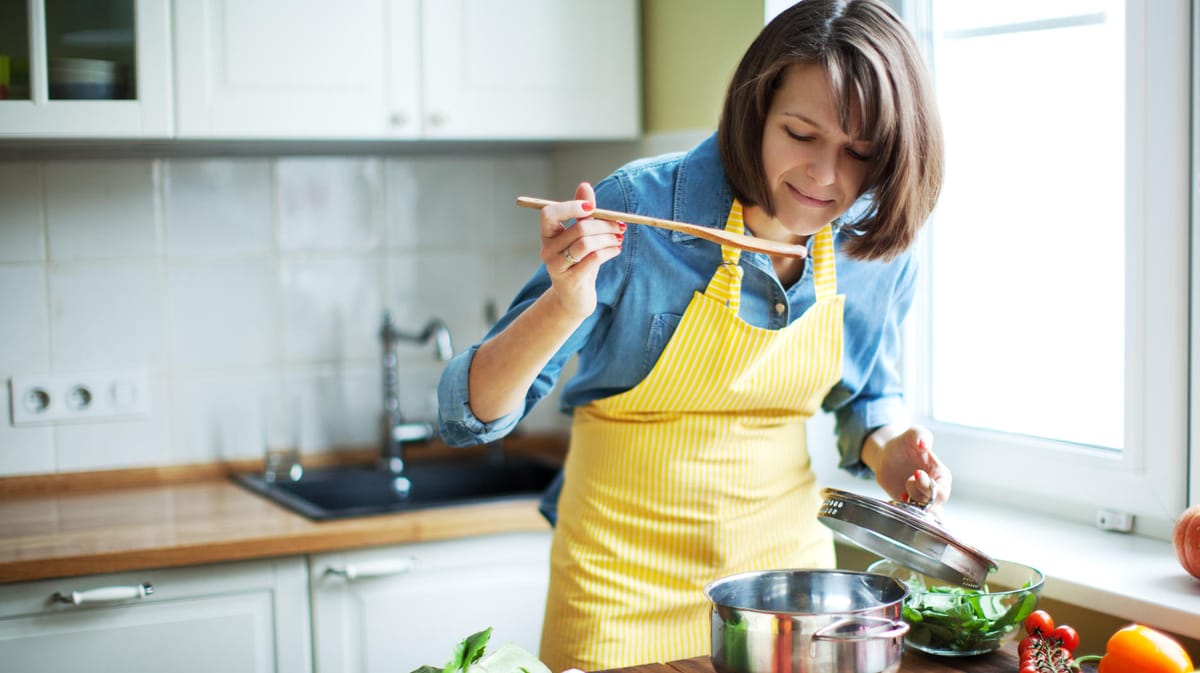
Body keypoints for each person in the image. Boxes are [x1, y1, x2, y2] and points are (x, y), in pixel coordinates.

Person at [437, 0, 948, 669]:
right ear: (758, 109)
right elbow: (463, 413)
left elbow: (866, 399)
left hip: (786, 596)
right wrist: (565, 302)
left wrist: (893, 453)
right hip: (617, 588)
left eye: (859, 152)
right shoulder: (643, 210)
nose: (827, 176)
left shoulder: (870, 249)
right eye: (800, 133)